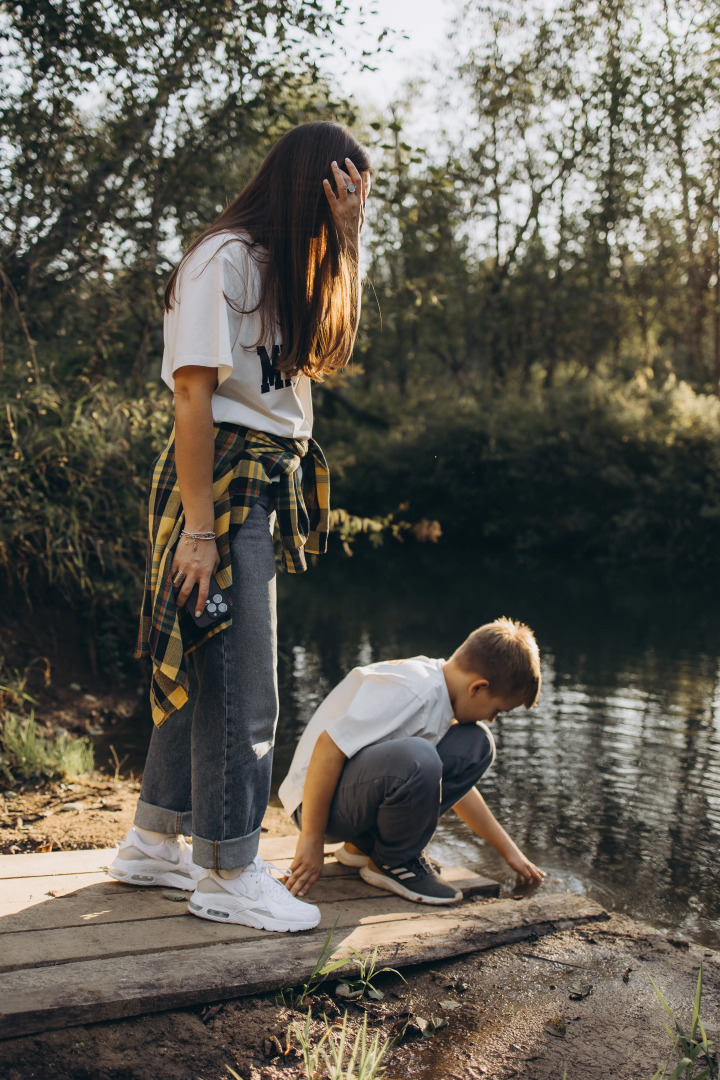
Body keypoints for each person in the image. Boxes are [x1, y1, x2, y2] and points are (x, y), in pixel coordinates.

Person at [109, 122, 372, 933]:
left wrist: (349, 245)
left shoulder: (291, 264)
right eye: (341, 197)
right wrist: (199, 531)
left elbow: (329, 354)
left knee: (207, 665)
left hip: (258, 479)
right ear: (309, 188)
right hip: (218, 480)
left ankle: (153, 841)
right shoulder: (221, 259)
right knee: (247, 690)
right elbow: (192, 395)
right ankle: (227, 872)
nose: (348, 209)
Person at [280, 618, 546, 904]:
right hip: (314, 806)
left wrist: (509, 851)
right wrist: (311, 839)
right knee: (421, 757)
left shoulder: (442, 691)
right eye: (497, 710)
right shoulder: (414, 691)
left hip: (347, 797)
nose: (492, 718)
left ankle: (365, 847)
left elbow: (447, 786)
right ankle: (395, 862)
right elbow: (327, 747)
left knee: (476, 745)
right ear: (478, 688)